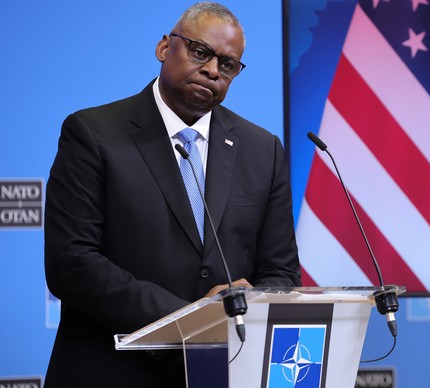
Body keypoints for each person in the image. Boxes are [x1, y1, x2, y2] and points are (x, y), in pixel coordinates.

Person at [43, 2, 301, 387]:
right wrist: (194, 318)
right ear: (165, 48)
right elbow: (72, 264)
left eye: (227, 65)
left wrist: (245, 307)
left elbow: (280, 273)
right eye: (200, 52)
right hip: (112, 371)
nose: (212, 70)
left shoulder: (263, 150)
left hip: (223, 373)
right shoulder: (93, 134)